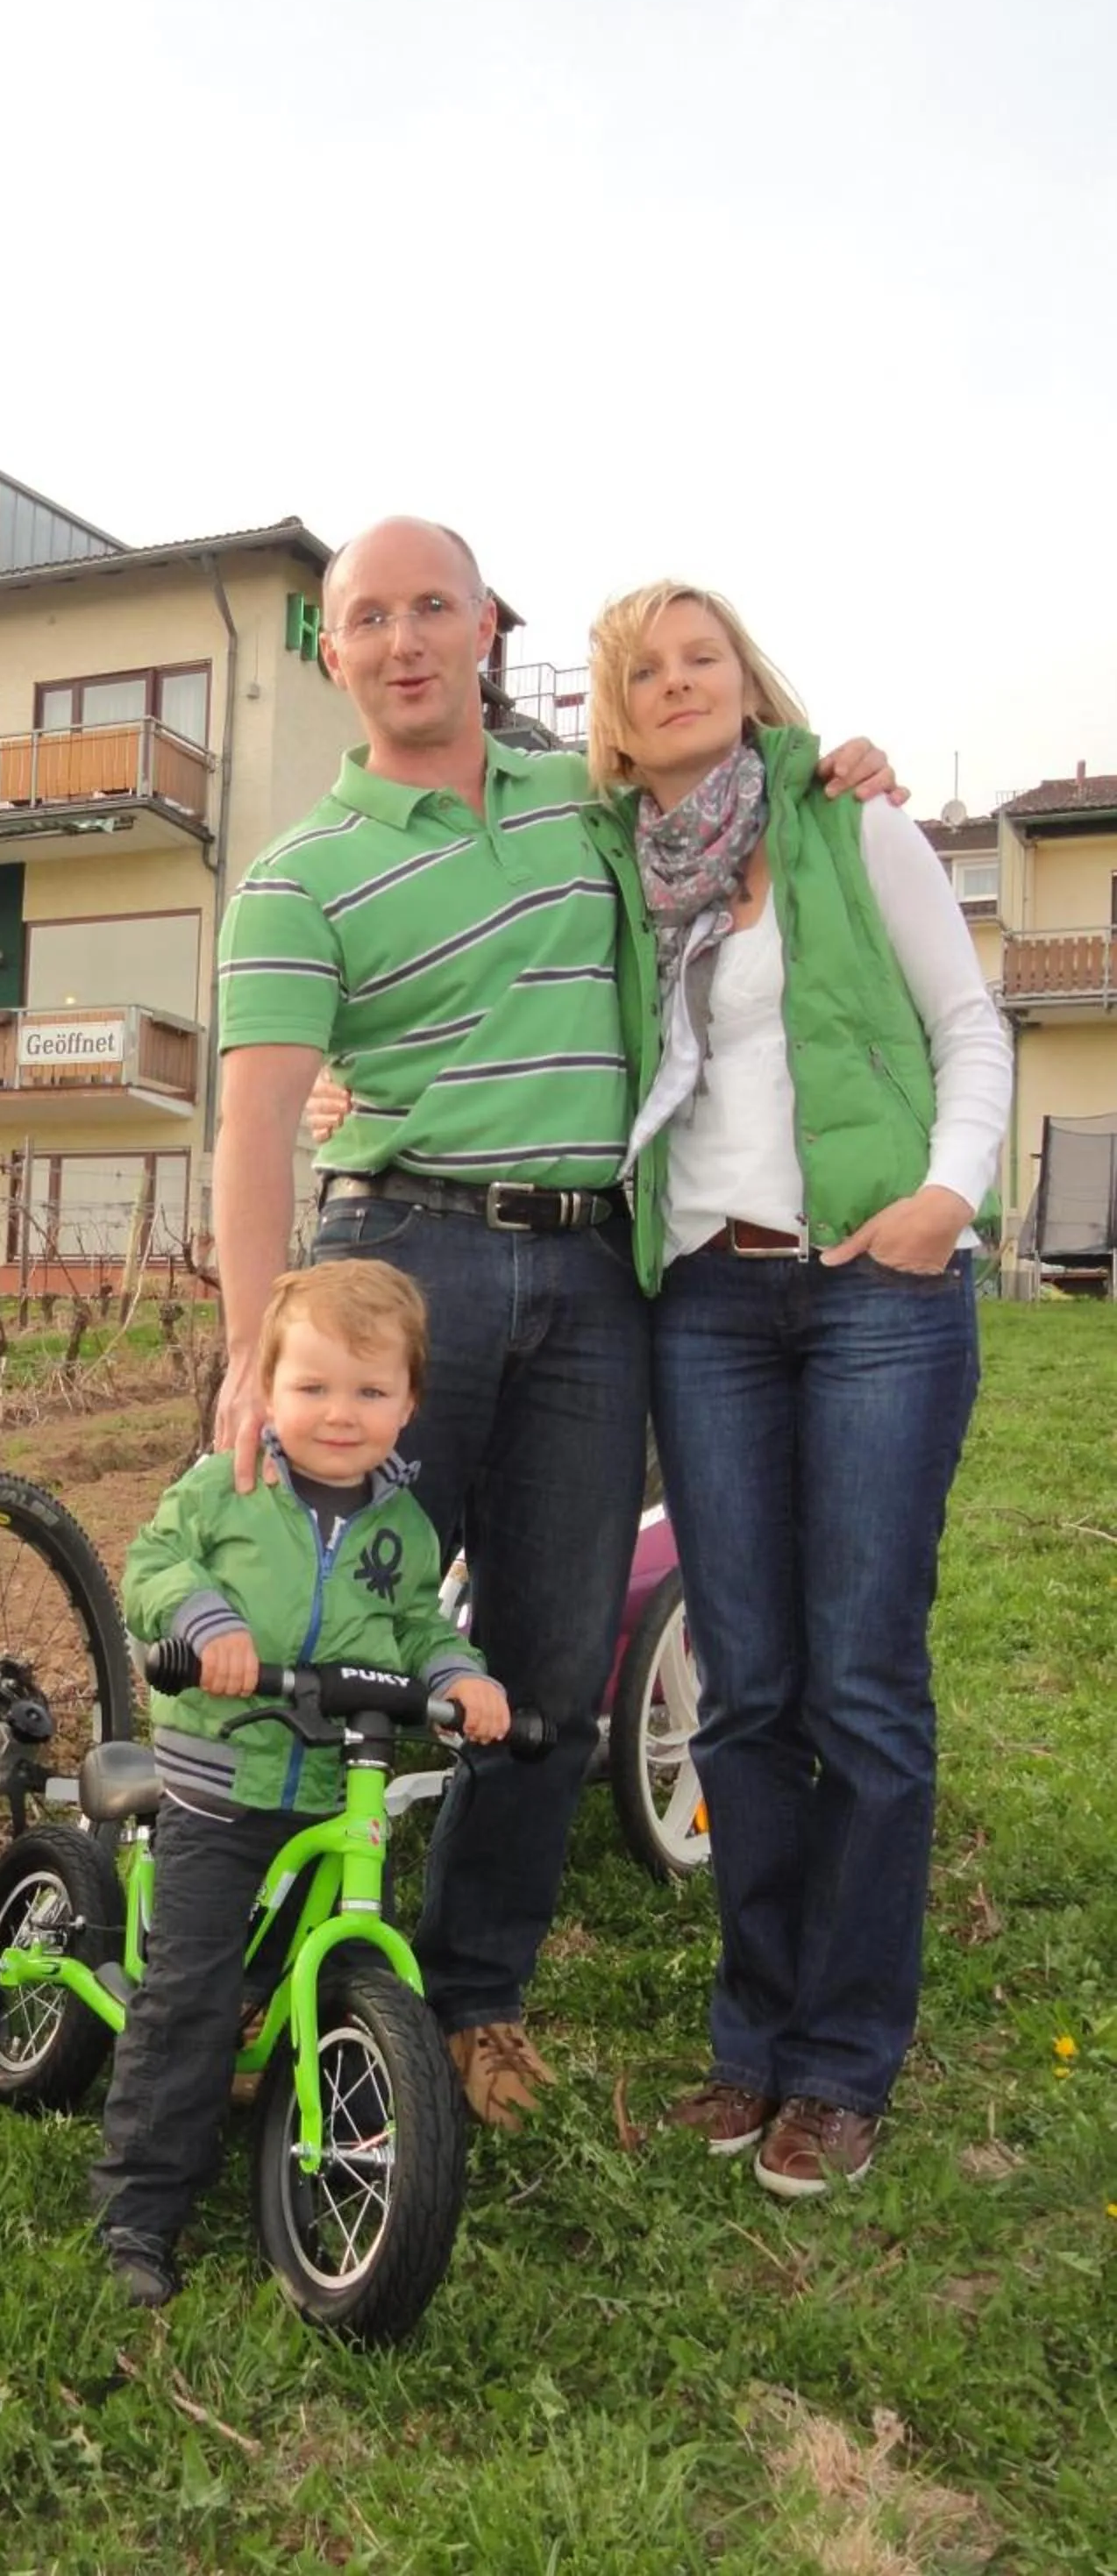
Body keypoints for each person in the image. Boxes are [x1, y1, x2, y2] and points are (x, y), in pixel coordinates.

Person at [213, 516, 896, 2134]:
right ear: (334, 656)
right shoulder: (299, 876)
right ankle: (251, 1977)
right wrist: (255, 1350)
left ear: (484, 626)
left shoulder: (576, 803)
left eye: (430, 607)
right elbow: (252, 1132)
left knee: (551, 1672)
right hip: (400, 1262)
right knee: (327, 1632)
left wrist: (827, 773)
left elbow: (712, 789)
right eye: (366, 618)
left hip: (596, 1280)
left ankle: (472, 2001)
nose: (402, 641)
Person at [584, 580, 1010, 2194]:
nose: (678, 681)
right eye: (645, 668)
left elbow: (970, 1029)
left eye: (703, 656)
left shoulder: (852, 828)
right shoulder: (614, 875)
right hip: (704, 1300)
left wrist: (950, 1194)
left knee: (862, 1685)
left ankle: (844, 2065)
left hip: (874, 1295)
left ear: (745, 680)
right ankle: (752, 2040)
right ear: (614, 719)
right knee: (747, 1686)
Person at [93, 1257, 507, 2306]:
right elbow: (152, 1567)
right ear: (266, 1390)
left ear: (410, 1405)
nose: (340, 1414)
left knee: (304, 1969)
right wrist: (207, 1623)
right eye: (314, 1388)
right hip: (222, 1775)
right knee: (189, 1995)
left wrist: (460, 1676)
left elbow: (418, 1628)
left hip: (334, 1783)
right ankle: (138, 2213)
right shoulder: (225, 1487)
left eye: (371, 1393)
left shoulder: (406, 1531)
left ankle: (347, 2127)